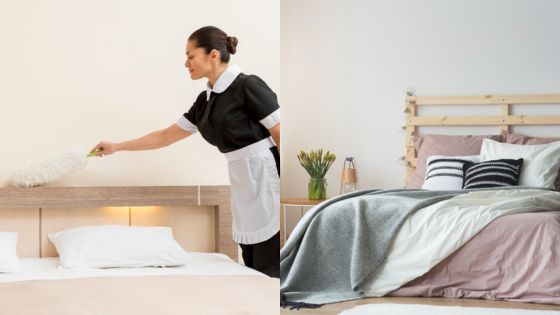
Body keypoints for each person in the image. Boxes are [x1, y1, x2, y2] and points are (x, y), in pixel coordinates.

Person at [90, 26, 280, 277]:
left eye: (190, 56)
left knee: (270, 260)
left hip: (265, 175)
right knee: (252, 258)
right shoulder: (206, 100)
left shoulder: (247, 86)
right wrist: (118, 147)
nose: (186, 63)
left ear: (213, 55)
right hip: (242, 179)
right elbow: (166, 136)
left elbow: (281, 133)